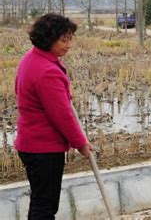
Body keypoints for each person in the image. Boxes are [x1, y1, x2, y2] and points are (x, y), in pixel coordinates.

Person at [15, 13, 93, 219]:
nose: (69, 45)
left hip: (30, 144)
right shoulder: (47, 71)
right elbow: (63, 116)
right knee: (45, 206)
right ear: (49, 39)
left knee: (41, 200)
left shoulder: (31, 58)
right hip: (43, 148)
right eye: (64, 40)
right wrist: (81, 143)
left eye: (70, 39)